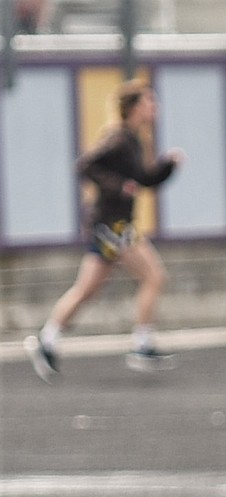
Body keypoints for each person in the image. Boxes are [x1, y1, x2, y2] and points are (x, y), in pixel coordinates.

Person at [24, 79, 185, 382]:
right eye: (150, 101)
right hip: (113, 224)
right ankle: (142, 344)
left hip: (112, 223)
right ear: (135, 107)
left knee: (87, 289)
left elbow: (144, 181)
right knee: (154, 276)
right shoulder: (119, 139)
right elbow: (85, 165)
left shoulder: (135, 140)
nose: (156, 107)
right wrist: (118, 186)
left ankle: (47, 341)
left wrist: (168, 166)